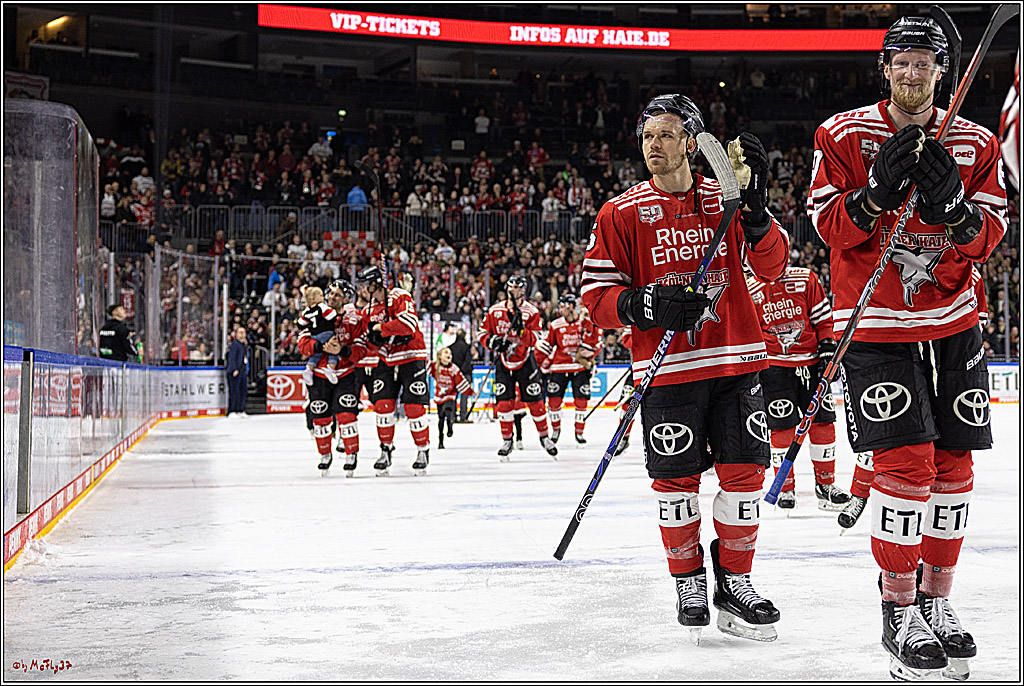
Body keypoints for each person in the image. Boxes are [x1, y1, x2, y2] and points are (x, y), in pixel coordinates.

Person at [807, 17, 1007, 679]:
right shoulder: (841, 134)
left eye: (926, 63)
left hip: (953, 320)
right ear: (885, 67)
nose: (914, 73)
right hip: (877, 325)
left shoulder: (977, 141)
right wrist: (876, 194)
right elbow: (828, 226)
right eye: (903, 62)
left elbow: (990, 234)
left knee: (955, 467)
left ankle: (936, 600)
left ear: (941, 72)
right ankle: (897, 611)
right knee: (907, 466)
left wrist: (954, 205)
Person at [581, 94, 789, 642]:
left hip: (737, 360)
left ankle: (735, 583)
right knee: (675, 487)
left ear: (692, 143)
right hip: (667, 370)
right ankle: (689, 581)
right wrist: (643, 304)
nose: (655, 145)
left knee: (744, 482)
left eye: (667, 135)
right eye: (648, 136)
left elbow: (773, 267)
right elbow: (596, 298)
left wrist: (759, 211)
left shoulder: (728, 198)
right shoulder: (620, 213)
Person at [745, 263, 852, 512]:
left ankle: (826, 485)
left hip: (813, 363)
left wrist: (827, 347)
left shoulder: (805, 278)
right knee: (781, 427)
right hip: (774, 367)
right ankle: (785, 487)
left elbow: (823, 318)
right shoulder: (750, 288)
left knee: (823, 422)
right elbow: (749, 331)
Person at [358, 264, 432, 475]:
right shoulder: (368, 310)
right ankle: (385, 449)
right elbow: (369, 339)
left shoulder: (400, 296)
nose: (363, 290)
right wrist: (373, 339)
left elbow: (409, 324)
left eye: (366, 285)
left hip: (411, 356)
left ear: (375, 284)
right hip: (386, 359)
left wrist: (381, 328)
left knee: (413, 408)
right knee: (382, 406)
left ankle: (422, 449)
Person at [477, 274, 558, 460]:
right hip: (504, 362)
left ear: (523, 290)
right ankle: (507, 440)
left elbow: (536, 339)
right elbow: (482, 333)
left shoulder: (532, 312)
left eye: (517, 287)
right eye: (511, 287)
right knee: (504, 403)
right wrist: (493, 341)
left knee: (536, 402)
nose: (513, 291)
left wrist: (522, 331)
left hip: (525, 361)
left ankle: (544, 437)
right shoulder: (495, 310)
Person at [296, 280, 367, 474]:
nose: (332, 297)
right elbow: (302, 344)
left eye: (337, 295)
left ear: (346, 298)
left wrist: (342, 350)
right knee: (320, 418)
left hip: (345, 374)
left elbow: (361, 350)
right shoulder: (315, 313)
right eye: (331, 293)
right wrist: (320, 347)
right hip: (319, 374)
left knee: (347, 416)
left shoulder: (354, 319)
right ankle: (324, 454)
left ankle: (351, 454)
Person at [536, 292, 600, 445]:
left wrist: (589, 354)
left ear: (571, 307)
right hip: (559, 368)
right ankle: (556, 430)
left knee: (581, 401)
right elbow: (549, 345)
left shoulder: (584, 323)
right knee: (553, 401)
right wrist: (538, 361)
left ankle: (579, 433)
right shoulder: (556, 325)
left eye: (563, 307)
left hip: (579, 368)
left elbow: (596, 342)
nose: (561, 310)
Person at [296, 286, 340, 386]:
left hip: (314, 336)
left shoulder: (306, 311)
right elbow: (331, 315)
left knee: (315, 355)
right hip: (327, 333)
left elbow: (300, 323)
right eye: (320, 295)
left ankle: (309, 369)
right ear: (312, 299)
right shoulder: (321, 306)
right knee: (332, 351)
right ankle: (331, 368)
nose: (323, 297)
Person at [430, 346, 470, 449]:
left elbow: (460, 380)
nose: (449, 355)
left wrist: (469, 390)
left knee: (448, 410)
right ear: (440, 356)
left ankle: (450, 425)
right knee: (441, 418)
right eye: (446, 353)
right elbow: (423, 365)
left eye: (450, 354)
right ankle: (440, 440)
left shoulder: (454, 368)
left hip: (451, 395)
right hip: (440, 396)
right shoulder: (436, 367)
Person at [449, 329, 474, 422]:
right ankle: (463, 417)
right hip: (465, 374)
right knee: (464, 396)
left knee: (454, 396)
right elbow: (468, 361)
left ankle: (453, 416)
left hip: (454, 374)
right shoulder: (467, 347)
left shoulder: (451, 347)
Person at [226, 327, 249, 417]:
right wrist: (234, 369)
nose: (242, 334)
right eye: (240, 332)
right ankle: (232, 410)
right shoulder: (234, 344)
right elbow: (231, 358)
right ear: (236, 334)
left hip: (242, 371)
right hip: (235, 371)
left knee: (242, 391)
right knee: (234, 391)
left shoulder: (244, 345)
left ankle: (240, 409)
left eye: (243, 332)